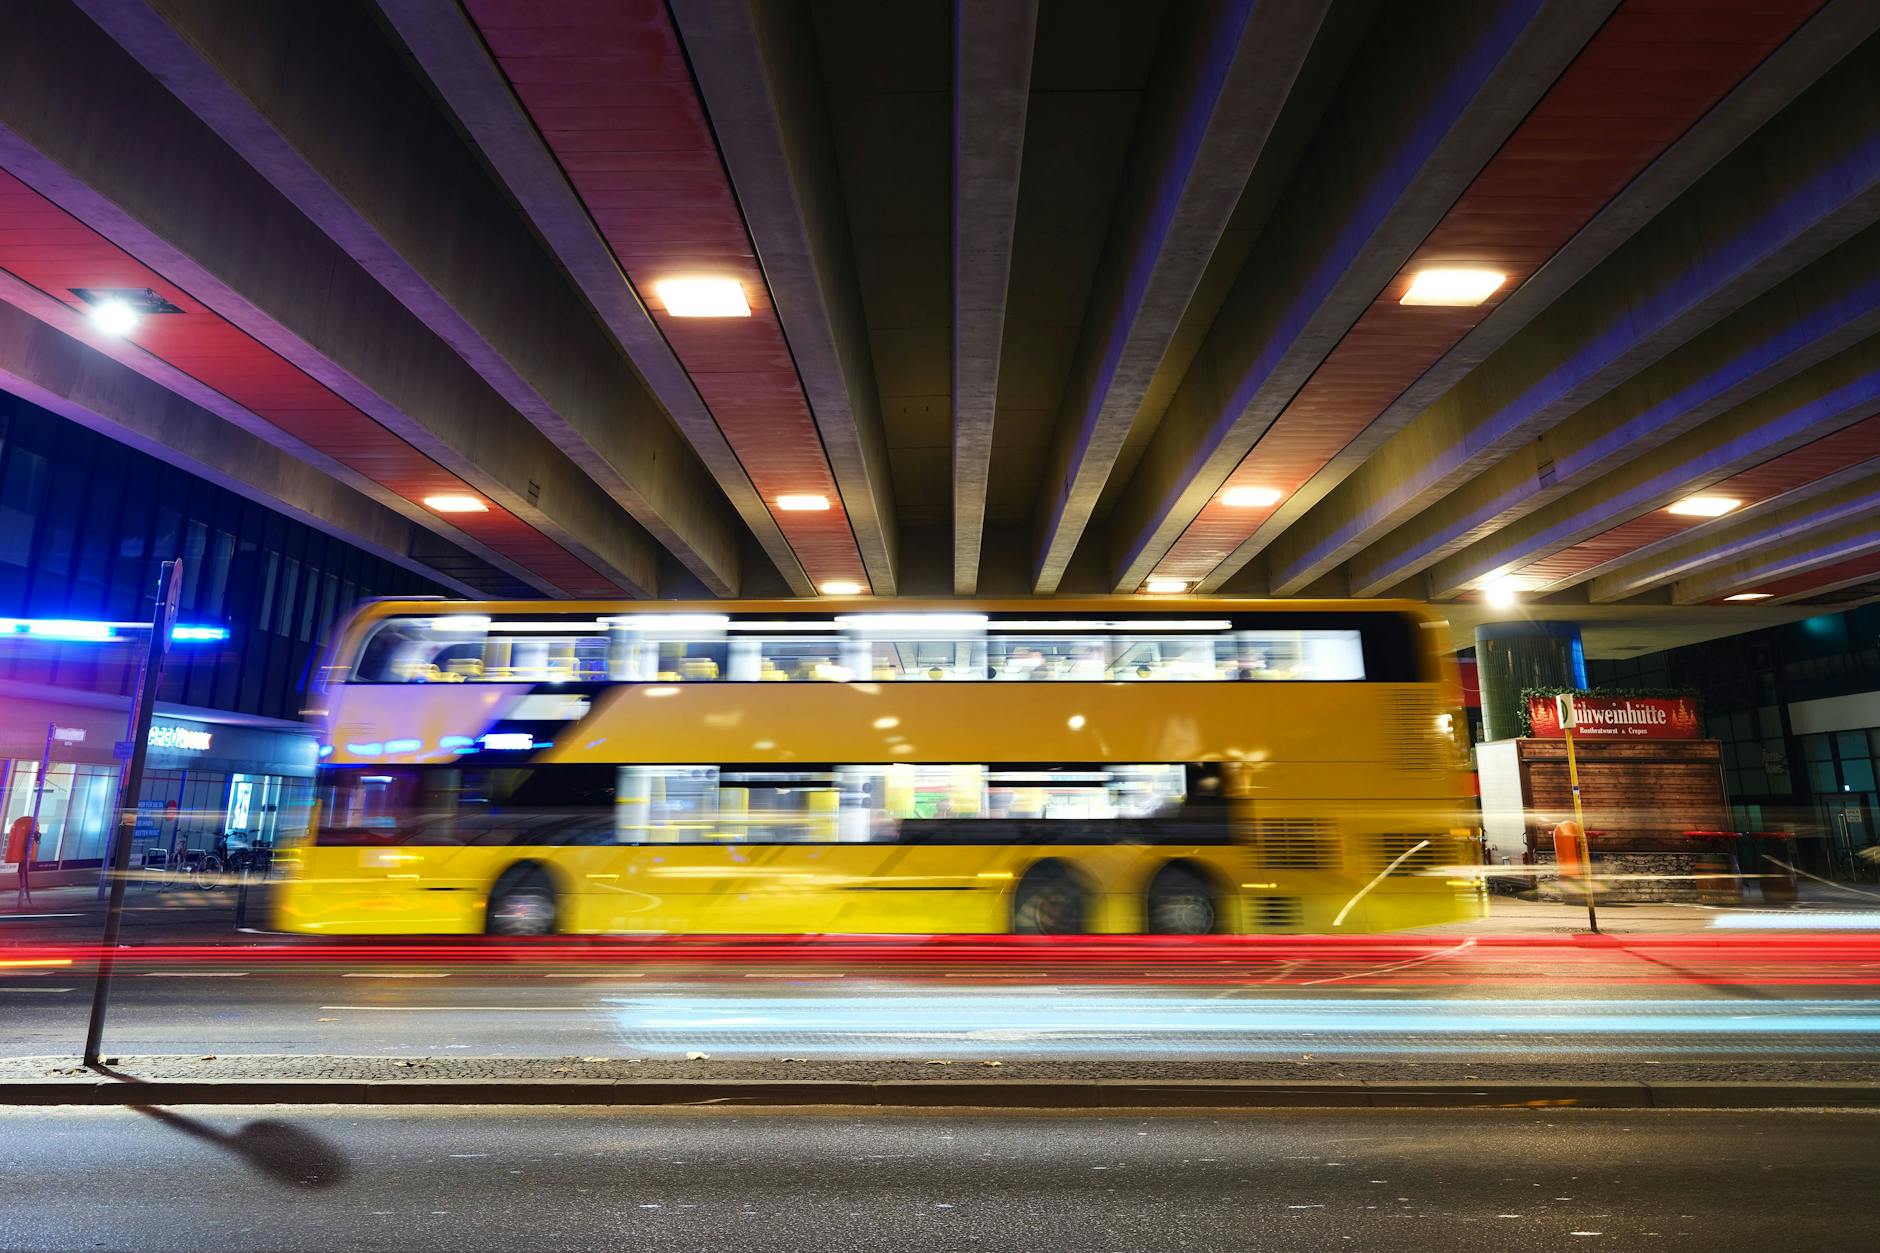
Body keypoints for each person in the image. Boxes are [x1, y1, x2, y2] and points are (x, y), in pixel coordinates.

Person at [8, 815, 39, 908]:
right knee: (22, 872)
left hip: (24, 856)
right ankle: (24, 893)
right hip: (23, 856)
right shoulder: (28, 827)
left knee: (22, 873)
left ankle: (24, 894)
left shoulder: (24, 827)